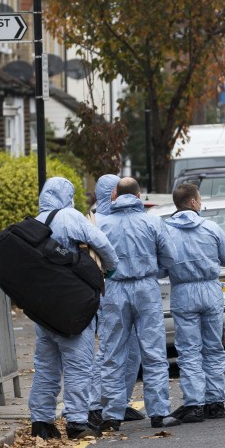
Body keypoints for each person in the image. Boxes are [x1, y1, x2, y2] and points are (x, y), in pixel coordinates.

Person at [29, 177, 118, 440]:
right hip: (71, 303)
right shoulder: (70, 216)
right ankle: (77, 421)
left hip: (42, 305)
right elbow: (100, 243)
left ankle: (41, 422)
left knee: (46, 365)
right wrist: (110, 269)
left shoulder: (36, 222)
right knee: (79, 364)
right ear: (66, 194)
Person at [96, 177, 176, 430]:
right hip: (145, 287)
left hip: (114, 288)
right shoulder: (153, 221)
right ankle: (159, 413)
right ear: (139, 195)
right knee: (153, 353)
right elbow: (170, 257)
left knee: (112, 353)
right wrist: (155, 272)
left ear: (114, 196)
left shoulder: (102, 223)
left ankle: (111, 415)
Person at [158, 183, 225, 421]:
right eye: (199, 199)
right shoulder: (211, 227)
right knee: (213, 347)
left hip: (183, 292)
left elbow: (161, 269)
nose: (201, 202)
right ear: (193, 202)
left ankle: (194, 403)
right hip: (210, 290)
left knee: (189, 350)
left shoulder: (166, 231)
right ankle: (216, 401)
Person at [86, 174, 143, 427]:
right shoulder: (100, 222)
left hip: (114, 291)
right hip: (109, 292)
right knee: (110, 351)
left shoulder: (104, 220)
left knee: (131, 352)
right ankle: (97, 404)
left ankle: (119, 401)